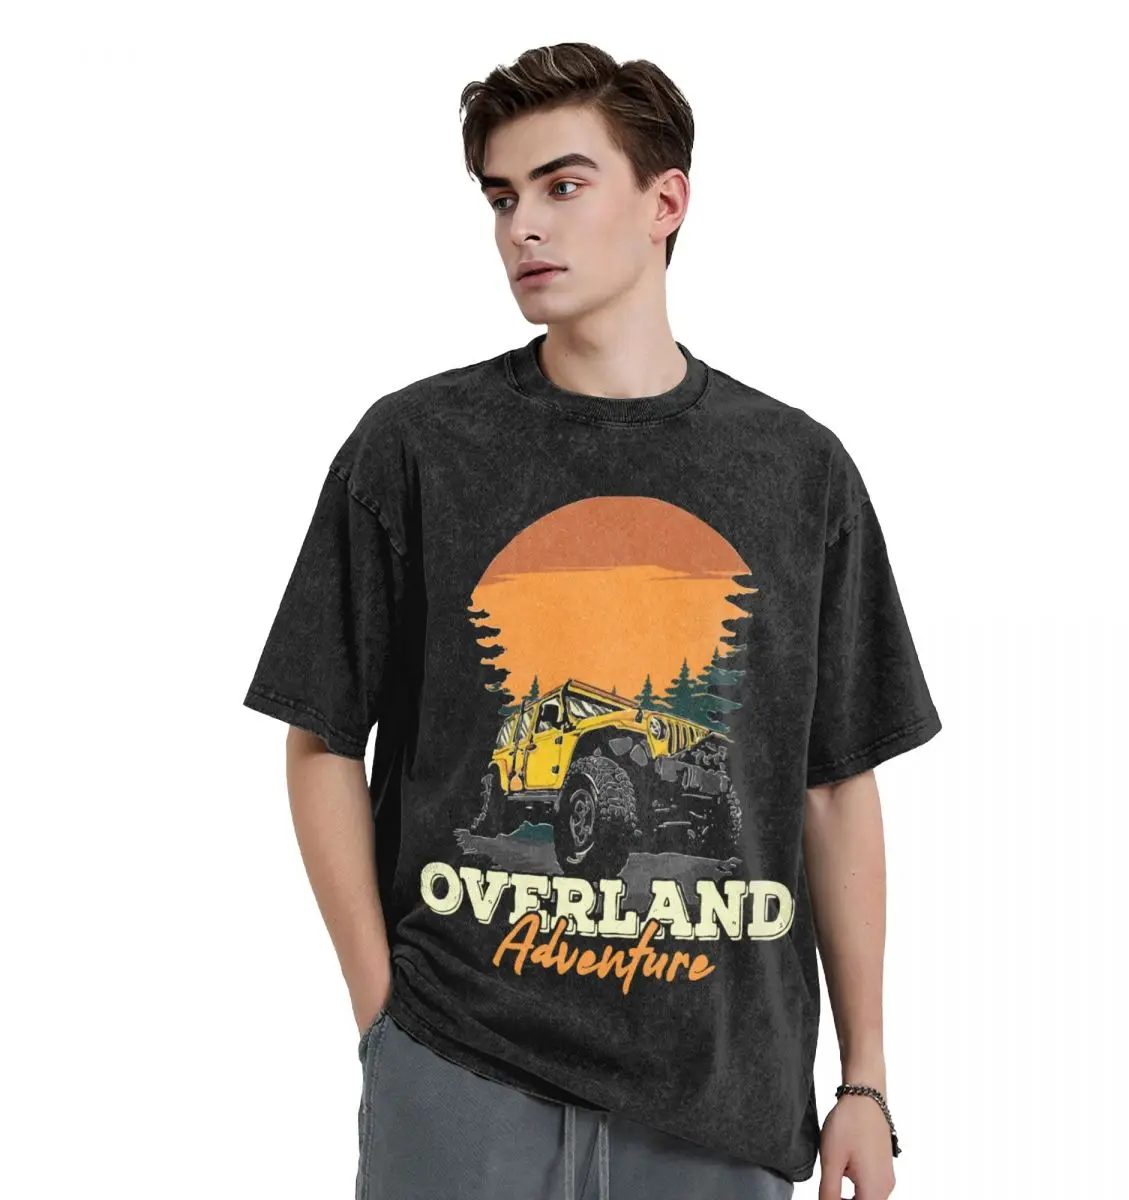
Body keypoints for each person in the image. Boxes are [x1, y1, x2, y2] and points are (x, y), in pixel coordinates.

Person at [243, 41, 941, 1200]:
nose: (524, 226)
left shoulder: (798, 469)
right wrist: (385, 1020)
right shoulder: (415, 447)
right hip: (462, 1066)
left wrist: (863, 1079)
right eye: (501, 198)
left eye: (563, 186)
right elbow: (320, 736)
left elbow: (832, 784)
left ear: (665, 203)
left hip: (722, 1094)